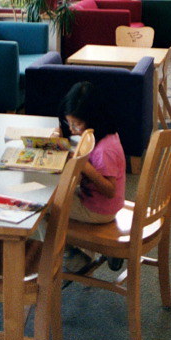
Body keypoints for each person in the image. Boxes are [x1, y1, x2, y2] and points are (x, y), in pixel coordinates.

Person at [58, 81, 126, 273]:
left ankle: (77, 255)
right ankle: (90, 249)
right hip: (95, 201)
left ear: (93, 118)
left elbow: (109, 190)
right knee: (60, 191)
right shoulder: (105, 135)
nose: (72, 129)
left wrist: (85, 167)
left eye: (76, 124)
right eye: (68, 122)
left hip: (98, 210)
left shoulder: (105, 149)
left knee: (44, 208)